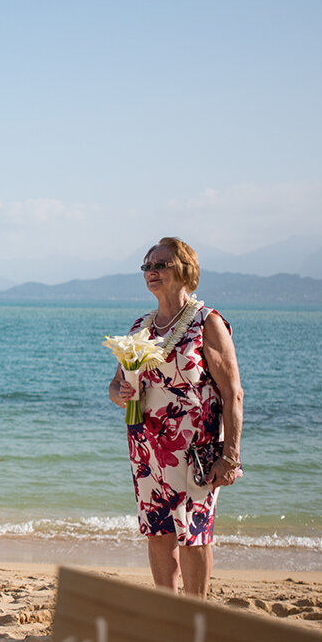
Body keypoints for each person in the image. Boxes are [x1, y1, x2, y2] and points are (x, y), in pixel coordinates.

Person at [108, 237, 244, 600]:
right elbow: (116, 383)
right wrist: (120, 393)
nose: (151, 272)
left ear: (184, 269)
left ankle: (194, 611)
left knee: (194, 532)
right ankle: (167, 612)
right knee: (157, 530)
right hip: (147, 448)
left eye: (160, 265)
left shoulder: (207, 322)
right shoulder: (141, 326)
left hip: (195, 449)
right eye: (147, 267)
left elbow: (233, 393)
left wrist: (229, 456)